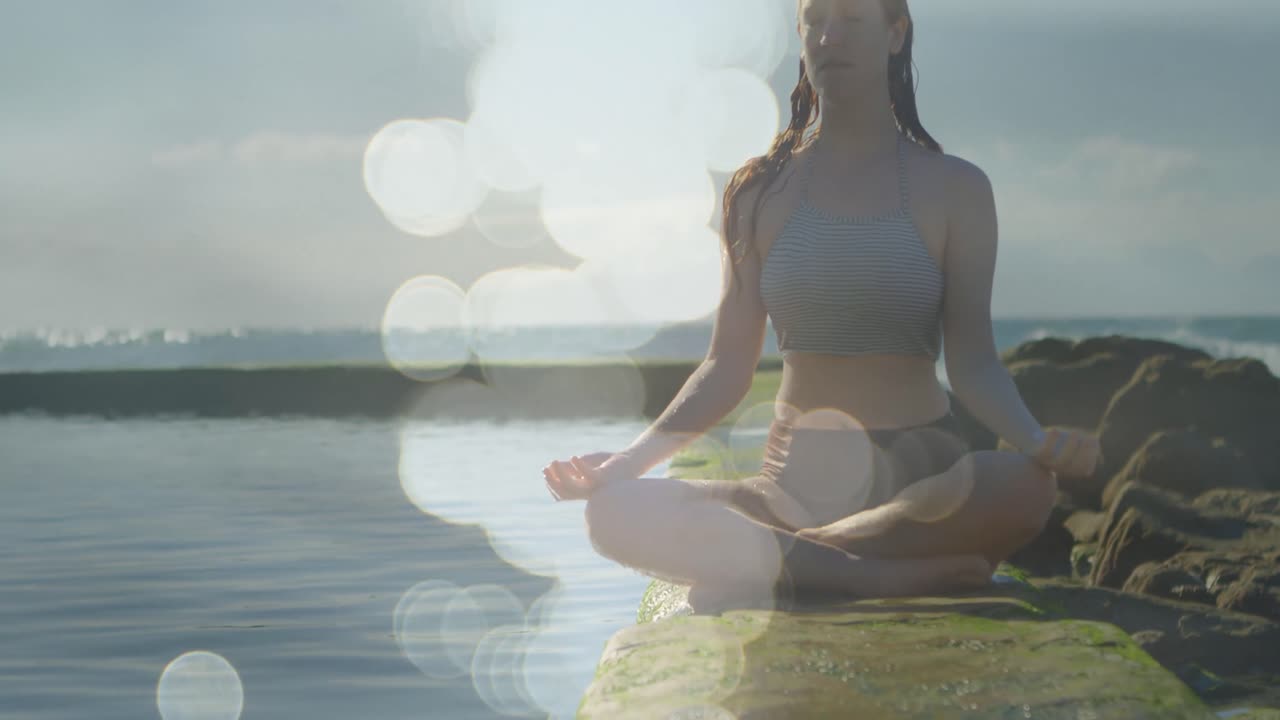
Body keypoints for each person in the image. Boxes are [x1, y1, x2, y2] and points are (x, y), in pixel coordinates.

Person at [542, 0, 1102, 609]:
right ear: (801, 35)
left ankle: (796, 557)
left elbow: (974, 364)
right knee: (612, 511)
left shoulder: (959, 190)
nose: (830, 35)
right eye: (815, 19)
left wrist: (1037, 441)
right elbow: (726, 366)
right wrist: (625, 464)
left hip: (923, 485)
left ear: (895, 34)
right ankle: (872, 578)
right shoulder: (756, 192)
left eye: (854, 19)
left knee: (1024, 485)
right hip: (788, 486)